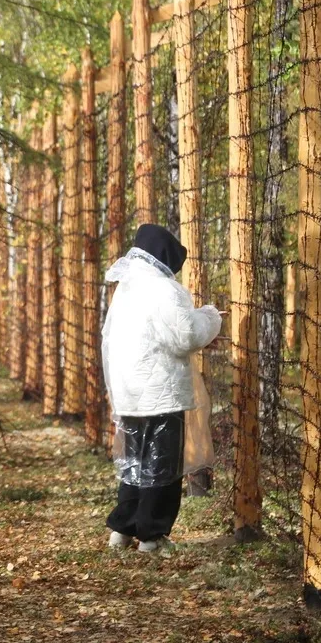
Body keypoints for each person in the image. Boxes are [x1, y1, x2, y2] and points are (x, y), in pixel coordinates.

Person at [101, 224, 221, 553]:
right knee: (163, 467)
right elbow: (184, 336)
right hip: (160, 394)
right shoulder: (163, 289)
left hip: (129, 393)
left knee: (134, 463)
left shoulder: (127, 288)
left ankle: (122, 529)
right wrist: (211, 317)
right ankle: (152, 536)